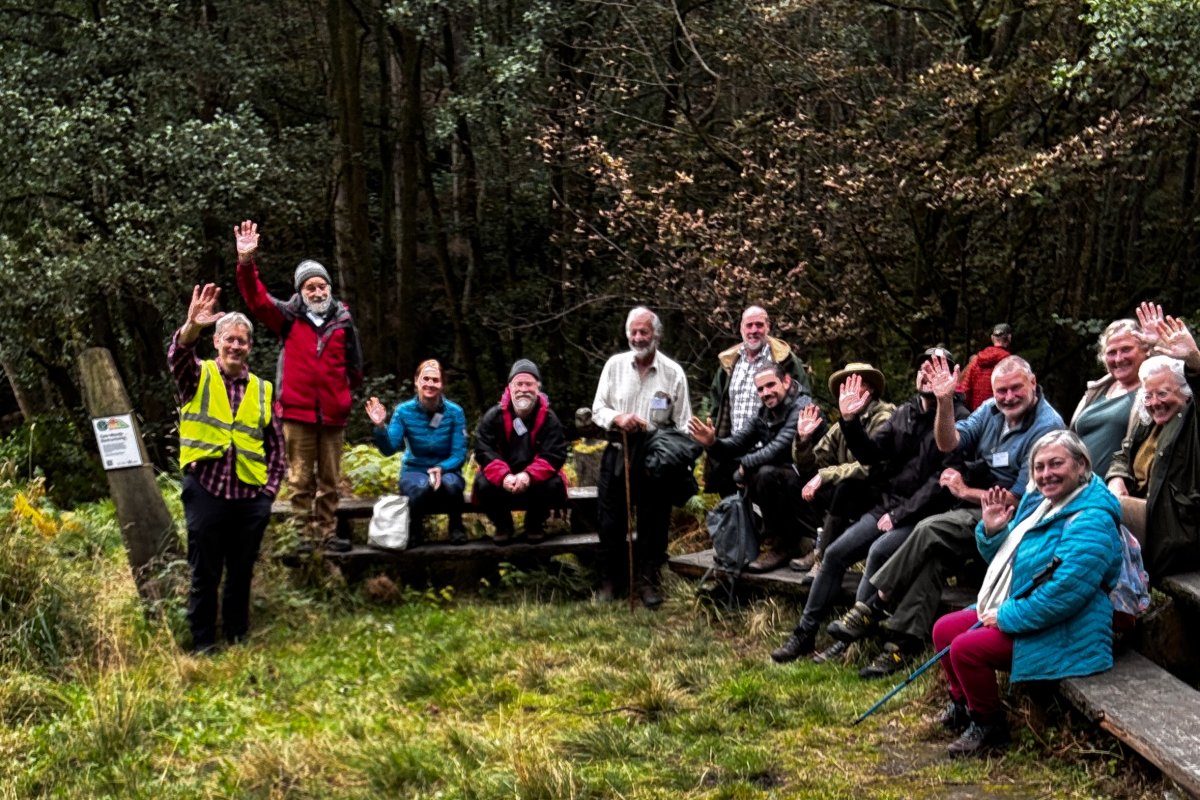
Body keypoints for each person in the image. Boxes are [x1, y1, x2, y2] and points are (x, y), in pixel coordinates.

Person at [834, 354, 1065, 679]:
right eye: (1002, 391)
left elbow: (1017, 499)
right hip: (979, 510)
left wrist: (963, 491)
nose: (1008, 397)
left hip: (1017, 524)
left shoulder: (1047, 428)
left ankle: (875, 603)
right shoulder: (990, 411)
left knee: (929, 529)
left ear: (1033, 384)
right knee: (934, 559)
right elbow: (948, 442)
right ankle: (902, 645)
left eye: (1016, 388)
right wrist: (944, 401)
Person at [771, 349, 968, 663]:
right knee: (835, 554)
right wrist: (849, 421)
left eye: (937, 369)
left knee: (878, 551)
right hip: (890, 507)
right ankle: (804, 634)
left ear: (952, 378)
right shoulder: (904, 412)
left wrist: (899, 514)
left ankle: (847, 641)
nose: (928, 375)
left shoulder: (961, 419)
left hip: (924, 516)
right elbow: (871, 453)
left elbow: (939, 484)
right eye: (923, 368)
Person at [932, 431, 1121, 757]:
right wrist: (993, 532)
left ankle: (989, 726)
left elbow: (1065, 593)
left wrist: (1006, 617)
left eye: (1056, 464)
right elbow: (1015, 566)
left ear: (1081, 464)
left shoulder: (1091, 518)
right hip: (1035, 610)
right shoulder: (1045, 505)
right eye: (1039, 466)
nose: (1046, 474)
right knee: (944, 629)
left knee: (965, 648)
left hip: (1072, 629)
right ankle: (963, 705)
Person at [234, 221, 363, 552]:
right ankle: (301, 536)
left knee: (331, 480)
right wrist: (246, 263)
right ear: (300, 292)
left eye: (322, 286)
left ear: (329, 288)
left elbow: (355, 367)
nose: (318, 292)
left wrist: (344, 397)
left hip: (333, 415)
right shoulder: (288, 318)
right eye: (310, 288)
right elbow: (257, 300)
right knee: (299, 479)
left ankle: (328, 533)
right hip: (297, 413)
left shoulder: (343, 322)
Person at [169, 284, 286, 654]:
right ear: (217, 341)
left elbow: (277, 448)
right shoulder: (196, 376)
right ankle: (203, 641)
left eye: (243, 341)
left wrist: (268, 494)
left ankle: (237, 635)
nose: (236, 346)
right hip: (206, 489)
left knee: (241, 570)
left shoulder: (263, 389)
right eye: (229, 339)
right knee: (205, 571)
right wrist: (191, 327)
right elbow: (177, 356)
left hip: (250, 495)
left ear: (250, 346)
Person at [592, 307, 692, 608]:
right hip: (618, 450)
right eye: (633, 332)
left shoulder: (673, 373)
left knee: (653, 522)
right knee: (610, 521)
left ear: (656, 335)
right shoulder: (614, 366)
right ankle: (610, 582)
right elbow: (598, 409)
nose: (637, 338)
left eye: (643, 332)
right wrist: (618, 417)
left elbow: (684, 422)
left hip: (654, 457)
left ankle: (649, 583)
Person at [688, 363, 816, 573]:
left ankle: (783, 544)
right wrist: (712, 442)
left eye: (770, 385)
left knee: (766, 474)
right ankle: (746, 536)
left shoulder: (802, 407)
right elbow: (737, 443)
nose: (766, 393)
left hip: (813, 482)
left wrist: (744, 467)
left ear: (786, 381)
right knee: (724, 469)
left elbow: (779, 449)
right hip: (784, 477)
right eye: (760, 389)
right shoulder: (765, 413)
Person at [1107, 310, 1200, 578]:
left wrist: (1193, 360)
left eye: (1163, 393)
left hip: (1174, 529)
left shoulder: (1193, 420)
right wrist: (1116, 478)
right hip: (1143, 515)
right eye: (1148, 395)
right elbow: (1122, 455)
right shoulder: (1148, 421)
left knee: (1096, 508)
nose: (1155, 401)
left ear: (1185, 393)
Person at [788, 363, 895, 580]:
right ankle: (816, 544)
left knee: (845, 487)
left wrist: (826, 476)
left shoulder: (885, 416)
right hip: (848, 494)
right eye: (847, 385)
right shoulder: (841, 426)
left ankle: (823, 557)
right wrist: (803, 441)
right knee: (793, 482)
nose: (851, 390)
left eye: (858, 383)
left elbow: (874, 466)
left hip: (882, 493)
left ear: (871, 389)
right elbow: (811, 466)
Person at [704, 306, 811, 497]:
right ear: (741, 329)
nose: (754, 330)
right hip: (738, 444)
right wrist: (713, 439)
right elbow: (717, 404)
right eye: (749, 325)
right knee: (727, 491)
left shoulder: (785, 360)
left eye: (759, 325)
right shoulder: (730, 362)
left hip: (774, 452)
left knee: (764, 494)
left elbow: (803, 401)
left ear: (768, 327)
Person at [366, 360, 469, 545]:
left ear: (442, 384)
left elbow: (459, 454)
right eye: (426, 379)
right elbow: (390, 448)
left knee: (452, 485)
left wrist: (441, 468)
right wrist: (381, 427)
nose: (430, 384)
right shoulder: (403, 412)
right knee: (420, 487)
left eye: (435, 380)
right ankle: (414, 530)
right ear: (416, 381)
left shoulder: (455, 412)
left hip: (447, 470)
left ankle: (456, 527)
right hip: (415, 470)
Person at [472, 360, 569, 544]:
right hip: (503, 482)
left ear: (538, 388)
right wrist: (505, 477)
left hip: (535, 482)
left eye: (529, 384)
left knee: (554, 484)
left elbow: (555, 454)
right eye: (519, 384)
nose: (524, 389)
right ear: (510, 388)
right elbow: (483, 450)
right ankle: (503, 525)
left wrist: (528, 476)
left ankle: (534, 523)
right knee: (482, 484)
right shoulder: (493, 416)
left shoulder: (550, 418)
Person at [1069, 315, 1151, 478]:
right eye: (1111, 352)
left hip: (1115, 491)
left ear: (1146, 350)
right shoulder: (1096, 390)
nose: (1119, 359)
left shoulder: (1153, 391)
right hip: (1075, 490)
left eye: (1126, 349)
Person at [956, 324, 1012, 411]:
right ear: (1009, 338)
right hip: (1000, 413)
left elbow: (965, 390)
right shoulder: (1010, 362)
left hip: (977, 415)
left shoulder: (976, 360)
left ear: (992, 338)